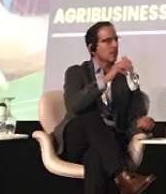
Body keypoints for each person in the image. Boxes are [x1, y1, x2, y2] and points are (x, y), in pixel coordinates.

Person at [53, 21, 156, 194]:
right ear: (92, 48)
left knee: (95, 157)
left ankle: (122, 179)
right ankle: (123, 175)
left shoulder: (123, 79)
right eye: (107, 41)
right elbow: (74, 105)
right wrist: (107, 77)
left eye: (116, 39)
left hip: (106, 145)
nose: (115, 45)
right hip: (76, 139)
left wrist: (143, 123)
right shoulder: (76, 72)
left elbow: (130, 118)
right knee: (91, 118)